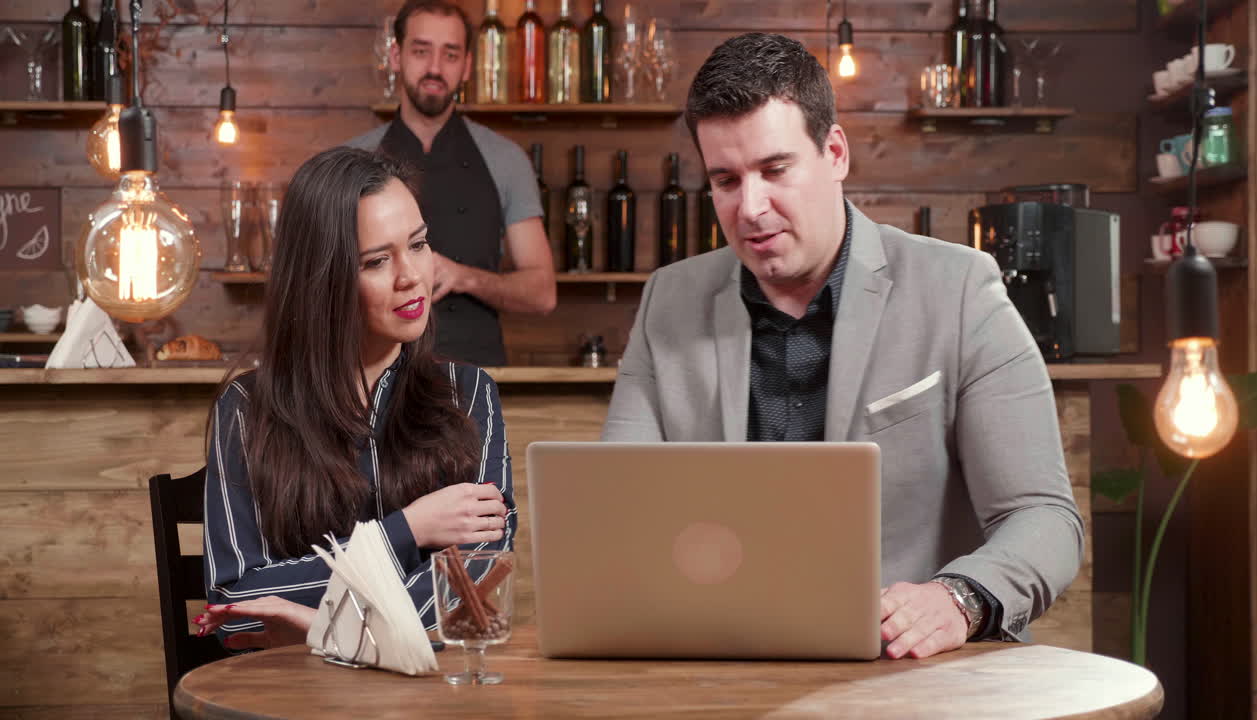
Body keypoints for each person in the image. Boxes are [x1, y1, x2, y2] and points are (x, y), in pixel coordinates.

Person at [601, 33, 1084, 660]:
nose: (750, 208)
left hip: (906, 669)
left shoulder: (960, 288)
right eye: (725, 180)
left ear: (834, 153)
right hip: (721, 660)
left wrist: (957, 598)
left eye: (775, 170)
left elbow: (1044, 518)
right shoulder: (669, 299)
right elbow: (616, 509)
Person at [194, 147, 514, 649]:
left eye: (419, 244)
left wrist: (327, 623)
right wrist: (407, 531)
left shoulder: (469, 395)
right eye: (377, 261)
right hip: (293, 698)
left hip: (433, 698)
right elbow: (236, 604)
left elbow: (474, 588)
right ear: (322, 278)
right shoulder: (247, 409)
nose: (411, 276)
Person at [347, 0, 556, 367]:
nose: (434, 68)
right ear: (396, 56)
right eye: (421, 51)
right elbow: (319, 282)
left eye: (450, 54)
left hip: (477, 374)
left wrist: (463, 277)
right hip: (371, 378)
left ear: (467, 67)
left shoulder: (505, 160)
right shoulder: (352, 161)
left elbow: (542, 293)